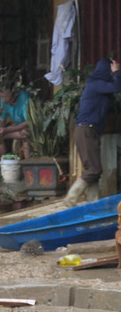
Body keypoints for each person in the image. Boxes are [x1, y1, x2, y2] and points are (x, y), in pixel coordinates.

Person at [64, 57, 121, 206]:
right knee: (95, 169)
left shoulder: (99, 86)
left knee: (93, 170)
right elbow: (117, 87)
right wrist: (117, 72)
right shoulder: (96, 84)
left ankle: (93, 204)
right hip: (86, 131)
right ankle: (71, 197)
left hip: (89, 131)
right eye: (110, 70)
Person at [0, 85, 31, 159]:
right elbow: (2, 119)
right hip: (17, 129)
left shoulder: (24, 97)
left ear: (12, 92)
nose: (2, 98)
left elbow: (29, 122)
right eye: (1, 95)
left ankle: (28, 165)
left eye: (4, 95)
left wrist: (10, 129)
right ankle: (4, 163)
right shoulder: (3, 100)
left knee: (26, 135)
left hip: (30, 128)